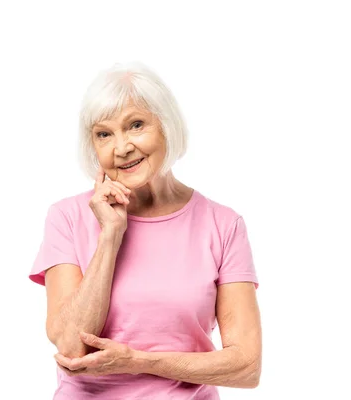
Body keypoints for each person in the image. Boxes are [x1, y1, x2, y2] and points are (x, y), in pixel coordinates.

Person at [28, 62, 262, 399]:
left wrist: (137, 361)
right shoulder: (66, 217)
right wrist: (110, 236)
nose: (121, 148)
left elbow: (246, 366)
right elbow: (71, 345)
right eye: (103, 134)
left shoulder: (223, 225)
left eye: (135, 125)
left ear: (166, 126)